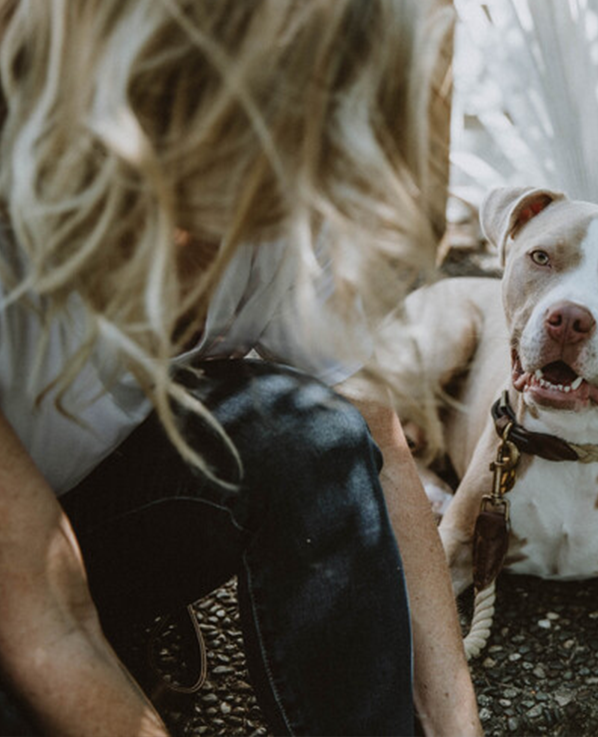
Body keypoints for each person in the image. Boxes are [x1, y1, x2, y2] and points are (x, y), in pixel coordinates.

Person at [0, 1, 481, 735]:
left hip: (84, 512)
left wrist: (456, 723)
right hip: (23, 571)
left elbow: (380, 451)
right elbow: (48, 619)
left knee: (313, 433)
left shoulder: (276, 198)